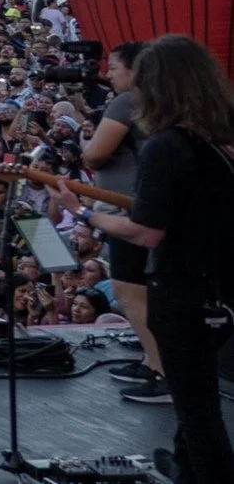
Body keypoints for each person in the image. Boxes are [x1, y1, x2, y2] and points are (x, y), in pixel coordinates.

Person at [46, 35, 234, 483]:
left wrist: (83, 213)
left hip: (180, 287)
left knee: (197, 410)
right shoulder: (219, 144)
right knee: (199, 397)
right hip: (217, 286)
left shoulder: (165, 147)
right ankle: (184, 468)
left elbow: (146, 232)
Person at [80, 42, 166, 402]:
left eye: (114, 68)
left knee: (128, 287)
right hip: (149, 206)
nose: (108, 74)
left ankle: (162, 371)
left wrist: (87, 147)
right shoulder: (163, 102)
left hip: (128, 208)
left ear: (134, 69)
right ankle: (151, 360)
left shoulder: (127, 100)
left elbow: (94, 155)